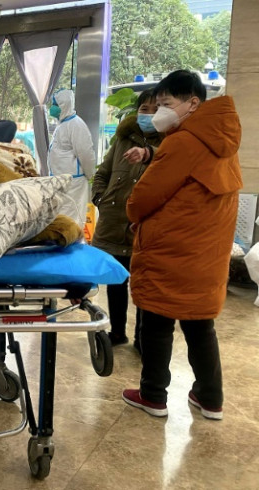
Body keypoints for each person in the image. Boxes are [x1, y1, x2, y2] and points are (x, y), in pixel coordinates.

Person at [122, 70, 242, 420]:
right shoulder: (222, 139)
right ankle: (210, 397)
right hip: (206, 251)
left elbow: (145, 196)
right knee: (200, 325)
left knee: (157, 321)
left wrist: (133, 213)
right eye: (157, 105)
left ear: (193, 103)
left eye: (166, 104)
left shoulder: (184, 141)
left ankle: (153, 395)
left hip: (172, 249)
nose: (159, 112)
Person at [91, 90, 163, 352]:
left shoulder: (170, 142)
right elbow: (103, 173)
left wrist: (148, 152)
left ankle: (142, 339)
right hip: (113, 221)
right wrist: (100, 198)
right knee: (116, 282)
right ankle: (117, 332)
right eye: (145, 108)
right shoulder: (122, 139)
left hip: (144, 227)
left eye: (157, 109)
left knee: (143, 286)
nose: (149, 114)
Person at [47, 89, 96, 226]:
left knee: (72, 219)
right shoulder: (62, 125)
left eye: (56, 104)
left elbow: (86, 154)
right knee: (62, 217)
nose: (53, 107)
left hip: (73, 184)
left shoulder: (76, 125)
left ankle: (72, 244)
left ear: (65, 105)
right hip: (61, 182)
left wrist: (90, 175)